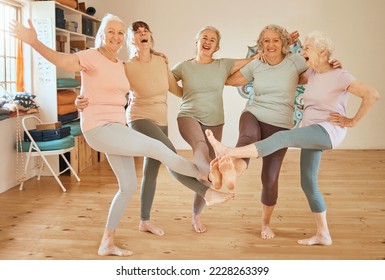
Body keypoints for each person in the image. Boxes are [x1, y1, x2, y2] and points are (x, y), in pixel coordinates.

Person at [10, 14, 234, 257]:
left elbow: (119, 88)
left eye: (119, 32)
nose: (115, 37)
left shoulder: (120, 65)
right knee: (159, 149)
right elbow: (62, 61)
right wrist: (33, 42)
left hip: (117, 128)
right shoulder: (90, 56)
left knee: (127, 186)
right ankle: (209, 182)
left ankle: (107, 242)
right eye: (111, 32)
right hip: (99, 128)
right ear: (101, 35)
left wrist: (81, 99)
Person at [205, 30, 380, 246]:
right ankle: (323, 234)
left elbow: (372, 94)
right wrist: (260, 60)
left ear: (323, 51)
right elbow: (286, 75)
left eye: (307, 48)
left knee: (281, 137)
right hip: (310, 130)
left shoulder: (340, 75)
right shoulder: (313, 73)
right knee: (308, 182)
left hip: (326, 131)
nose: (303, 51)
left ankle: (227, 152)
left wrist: (351, 121)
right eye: (303, 47)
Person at [76, 20, 218, 236]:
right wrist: (81, 101)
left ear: (150, 36)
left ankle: (144, 220)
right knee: (169, 154)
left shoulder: (161, 60)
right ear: (131, 40)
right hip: (139, 118)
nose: (142, 34)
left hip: (161, 120)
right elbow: (105, 86)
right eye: (137, 32)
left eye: (146, 31)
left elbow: (176, 90)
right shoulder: (126, 66)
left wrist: (201, 80)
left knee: (150, 172)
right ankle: (206, 189)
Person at [215, 24, 341, 240]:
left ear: (284, 43)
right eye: (266, 41)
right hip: (253, 113)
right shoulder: (257, 64)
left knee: (270, 178)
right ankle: (231, 173)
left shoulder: (295, 61)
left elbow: (319, 66)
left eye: (275, 40)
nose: (270, 45)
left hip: (280, 123)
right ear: (260, 44)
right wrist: (251, 59)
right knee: (247, 139)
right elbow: (230, 80)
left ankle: (265, 224)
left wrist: (335, 64)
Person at [171, 26, 259, 233]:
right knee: (200, 147)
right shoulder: (183, 66)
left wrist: (285, 44)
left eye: (212, 39)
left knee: (207, 166)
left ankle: (196, 215)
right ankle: (213, 179)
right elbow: (161, 80)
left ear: (216, 47)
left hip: (215, 121)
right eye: (204, 38)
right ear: (197, 42)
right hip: (188, 115)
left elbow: (254, 59)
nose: (207, 41)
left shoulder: (223, 65)